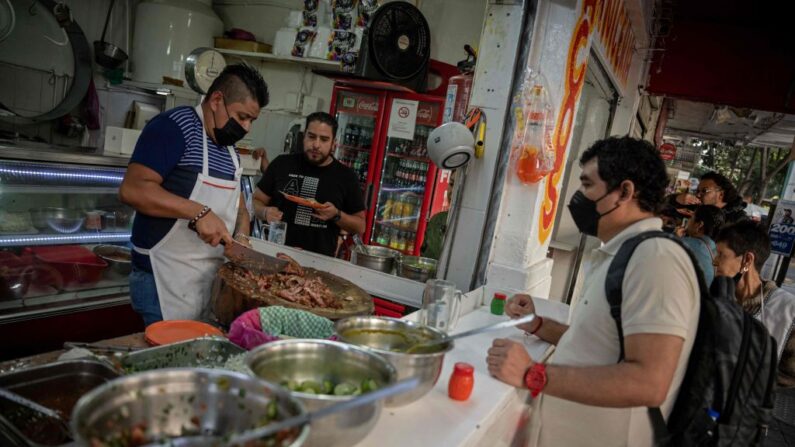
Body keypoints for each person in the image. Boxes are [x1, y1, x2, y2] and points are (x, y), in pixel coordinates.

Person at [486, 136, 700, 446]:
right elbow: (602, 345)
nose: (579, 197)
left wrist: (532, 373)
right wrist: (537, 324)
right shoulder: (622, 255)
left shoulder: (655, 259)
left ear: (624, 192)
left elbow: (649, 382)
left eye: (588, 185)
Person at [119, 64, 269, 326]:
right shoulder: (174, 128)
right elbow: (133, 189)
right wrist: (198, 212)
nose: (246, 128)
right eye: (242, 116)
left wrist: (242, 240)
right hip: (162, 281)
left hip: (207, 284)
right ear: (217, 100)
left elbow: (240, 208)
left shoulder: (230, 151)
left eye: (252, 120)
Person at [712, 221, 795, 446]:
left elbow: (790, 376)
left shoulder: (788, 311)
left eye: (721, 255)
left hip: (748, 428)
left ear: (747, 260)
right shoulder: (715, 300)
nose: (714, 262)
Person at [252, 112, 366, 257]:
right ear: (303, 136)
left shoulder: (346, 177)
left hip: (318, 263)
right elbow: (256, 201)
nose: (316, 145)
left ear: (334, 144)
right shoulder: (281, 164)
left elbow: (360, 226)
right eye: (311, 137)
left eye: (324, 139)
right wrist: (265, 212)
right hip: (275, 255)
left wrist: (336, 215)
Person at [667, 171, 747, 225]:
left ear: (721, 194)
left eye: (704, 191)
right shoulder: (699, 206)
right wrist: (676, 198)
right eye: (697, 191)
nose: (698, 195)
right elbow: (663, 206)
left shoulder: (738, 221)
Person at [676, 205, 724, 286]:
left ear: (699, 225)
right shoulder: (717, 253)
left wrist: (675, 240)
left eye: (692, 217)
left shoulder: (684, 244)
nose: (689, 221)